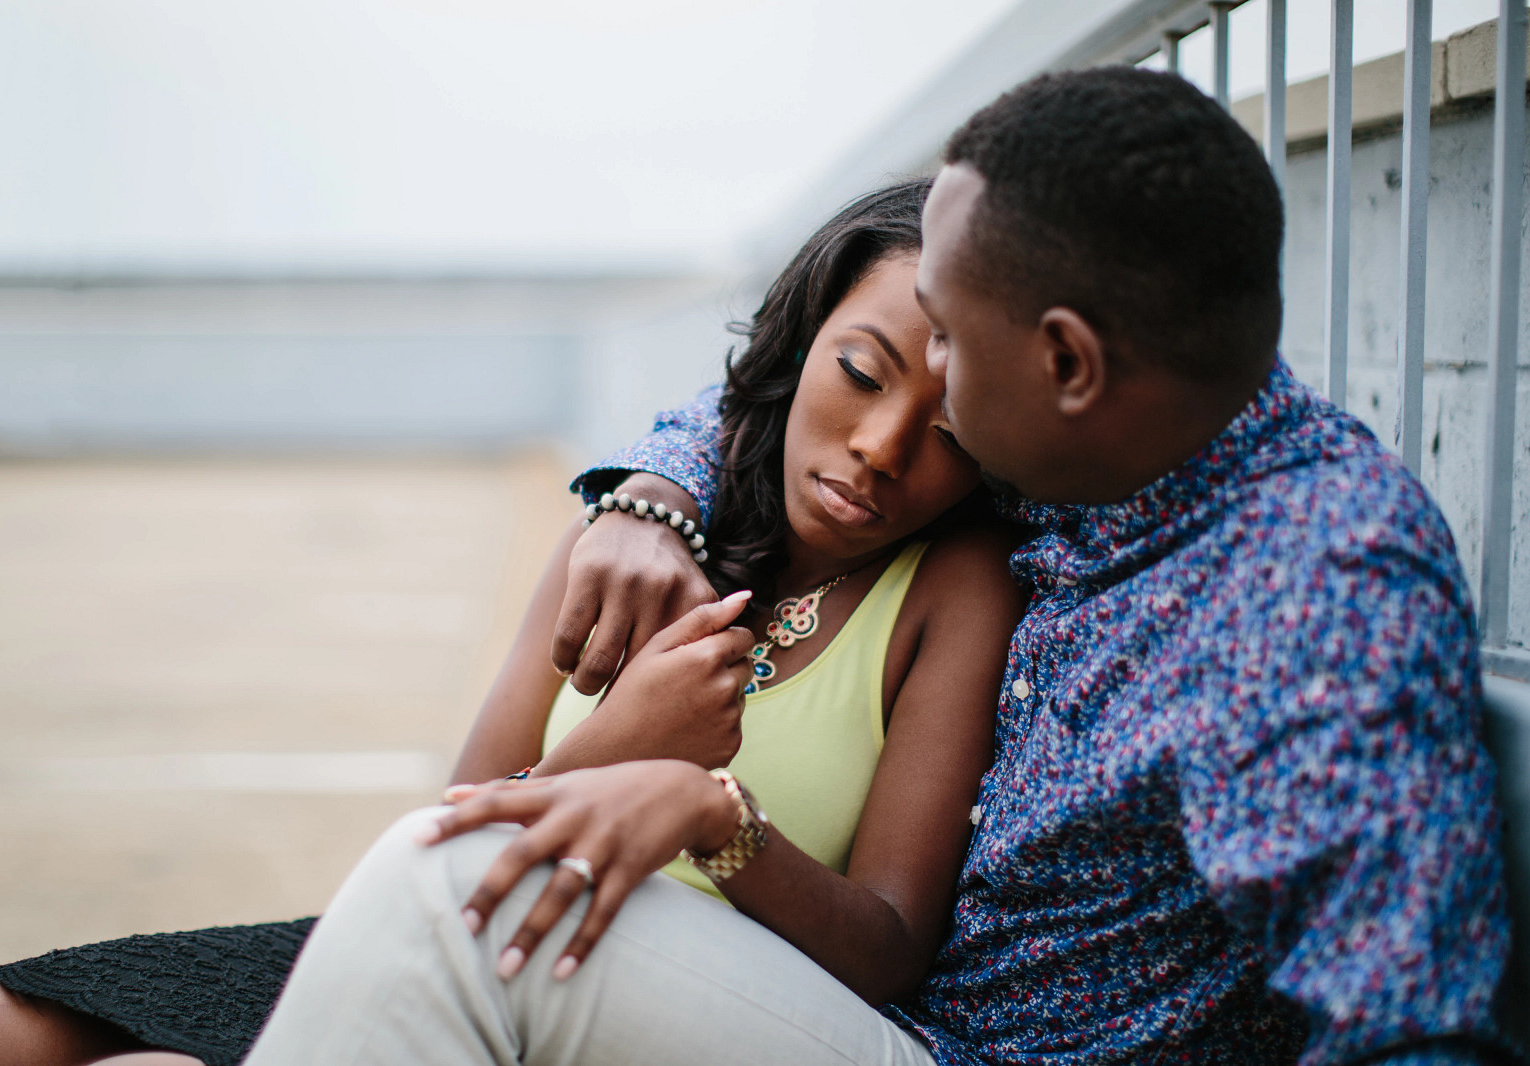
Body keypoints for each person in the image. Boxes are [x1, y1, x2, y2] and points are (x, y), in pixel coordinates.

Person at [236, 67, 1513, 1066]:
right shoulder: (1106, 428)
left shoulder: (1314, 592)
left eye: (949, 341)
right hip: (864, 1023)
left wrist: (713, 811)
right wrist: (654, 497)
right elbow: (787, 397)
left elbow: (1412, 1025)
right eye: (887, 357)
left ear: (1061, 364)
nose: (917, 395)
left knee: (457, 896)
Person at [0, 179, 1026, 1066]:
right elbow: (445, 835)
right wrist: (621, 739)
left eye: (946, 426)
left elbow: (884, 945)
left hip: (641, 998)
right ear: (800, 341)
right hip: (461, 928)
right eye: (861, 374)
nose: (881, 449)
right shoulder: (636, 531)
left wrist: (710, 815)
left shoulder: (947, 589)